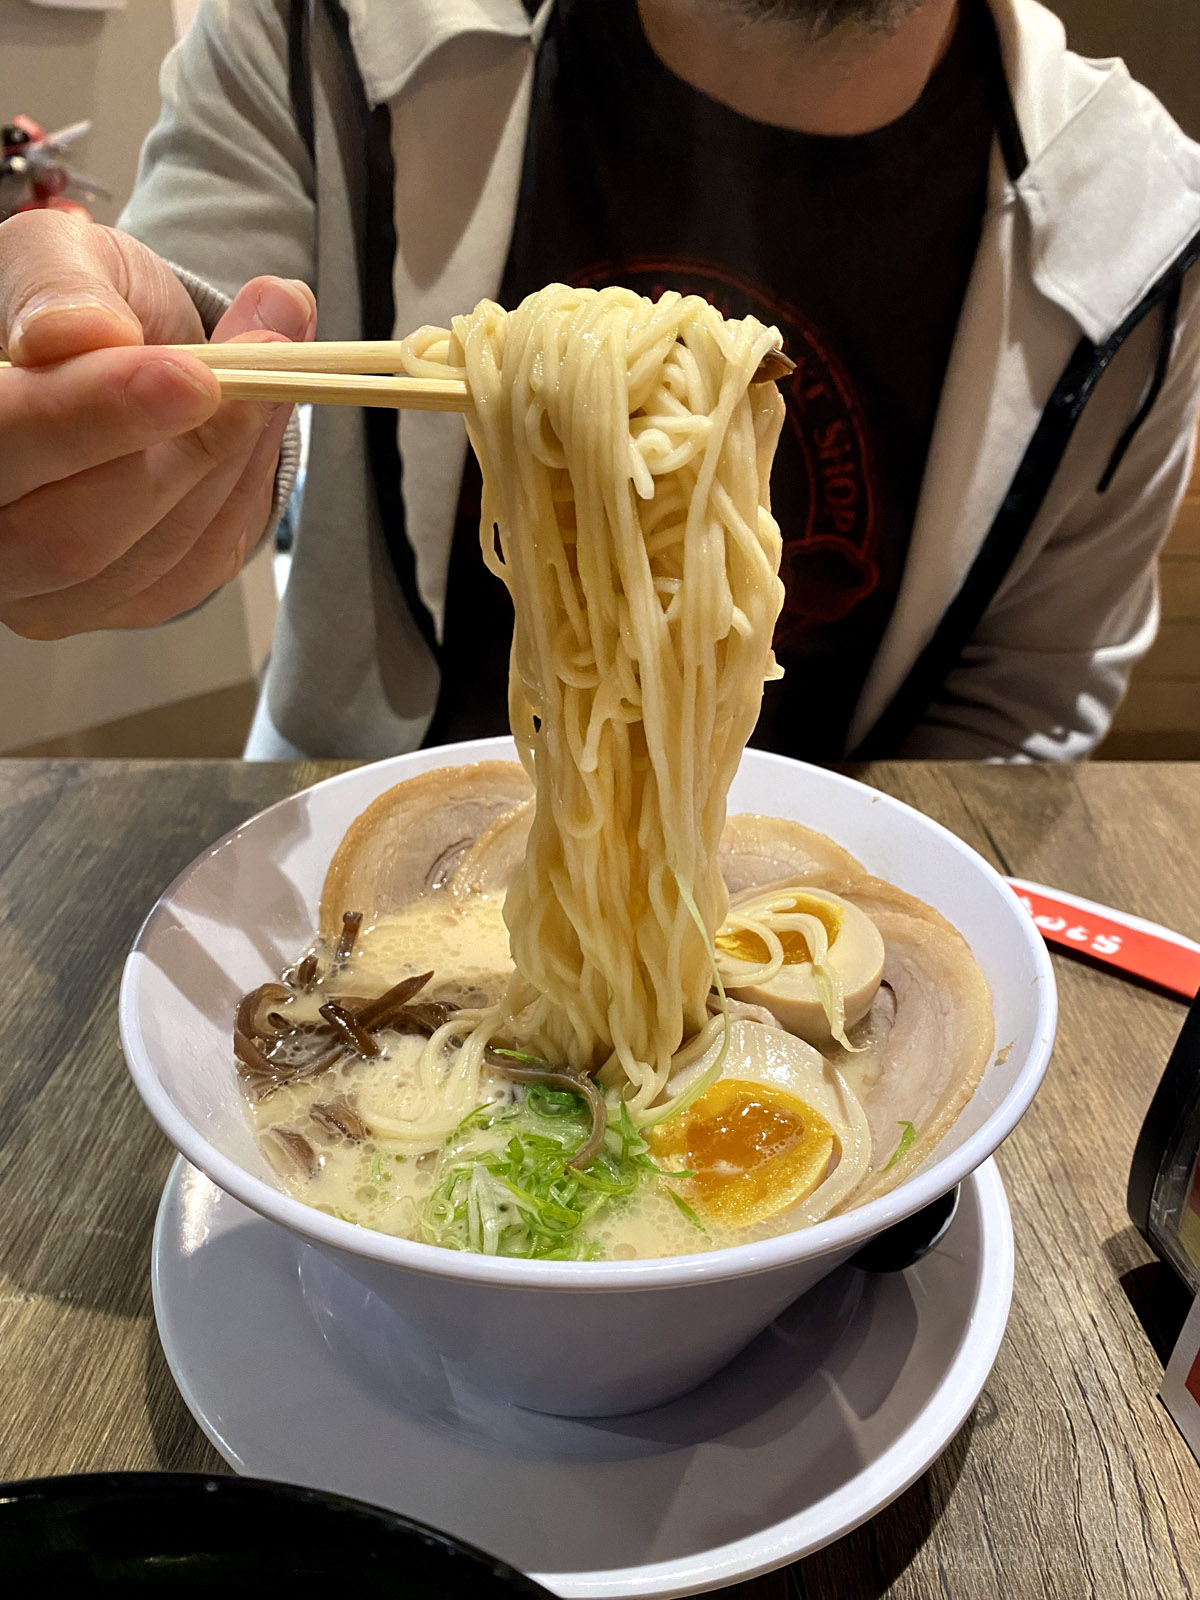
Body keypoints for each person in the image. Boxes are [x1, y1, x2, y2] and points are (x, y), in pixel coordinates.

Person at [1, 0, 1199, 762]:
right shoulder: (322, 22)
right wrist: (137, 455)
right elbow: (213, 338)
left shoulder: (1142, 236)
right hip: (335, 889)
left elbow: (1018, 711)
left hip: (775, 982)